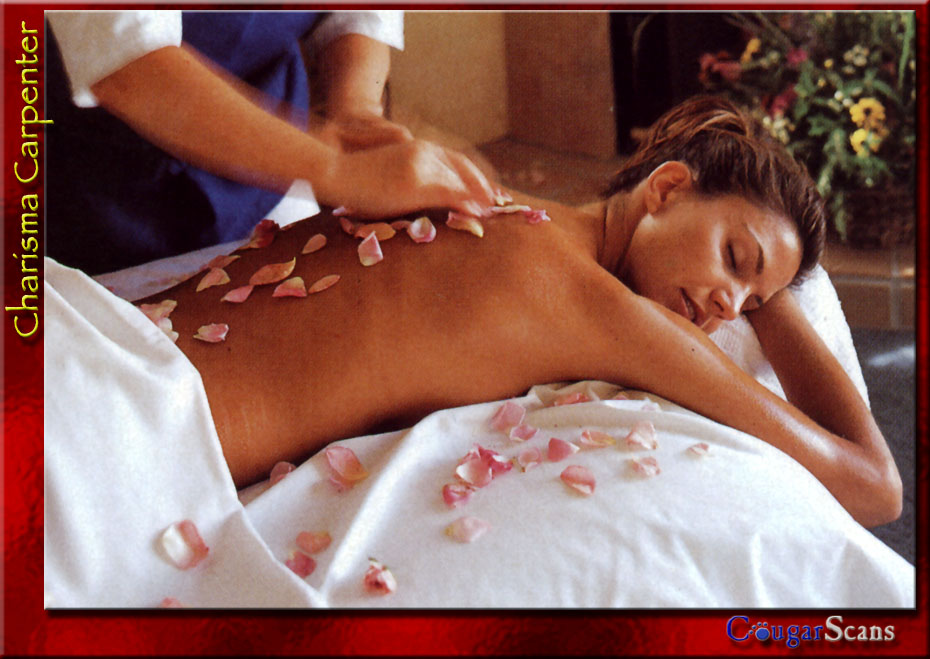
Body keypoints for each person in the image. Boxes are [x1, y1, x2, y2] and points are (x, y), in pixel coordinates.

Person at [143, 95, 902, 528]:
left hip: (105, 339)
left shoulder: (464, 184)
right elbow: (874, 485)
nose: (727, 305)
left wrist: (769, 281)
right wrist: (781, 301)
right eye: (734, 257)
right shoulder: (598, 308)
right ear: (667, 189)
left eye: (750, 305)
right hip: (126, 424)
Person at [44, 10, 494, 274]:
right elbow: (125, 63)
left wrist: (356, 110)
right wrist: (337, 168)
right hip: (89, 194)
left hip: (275, 161)